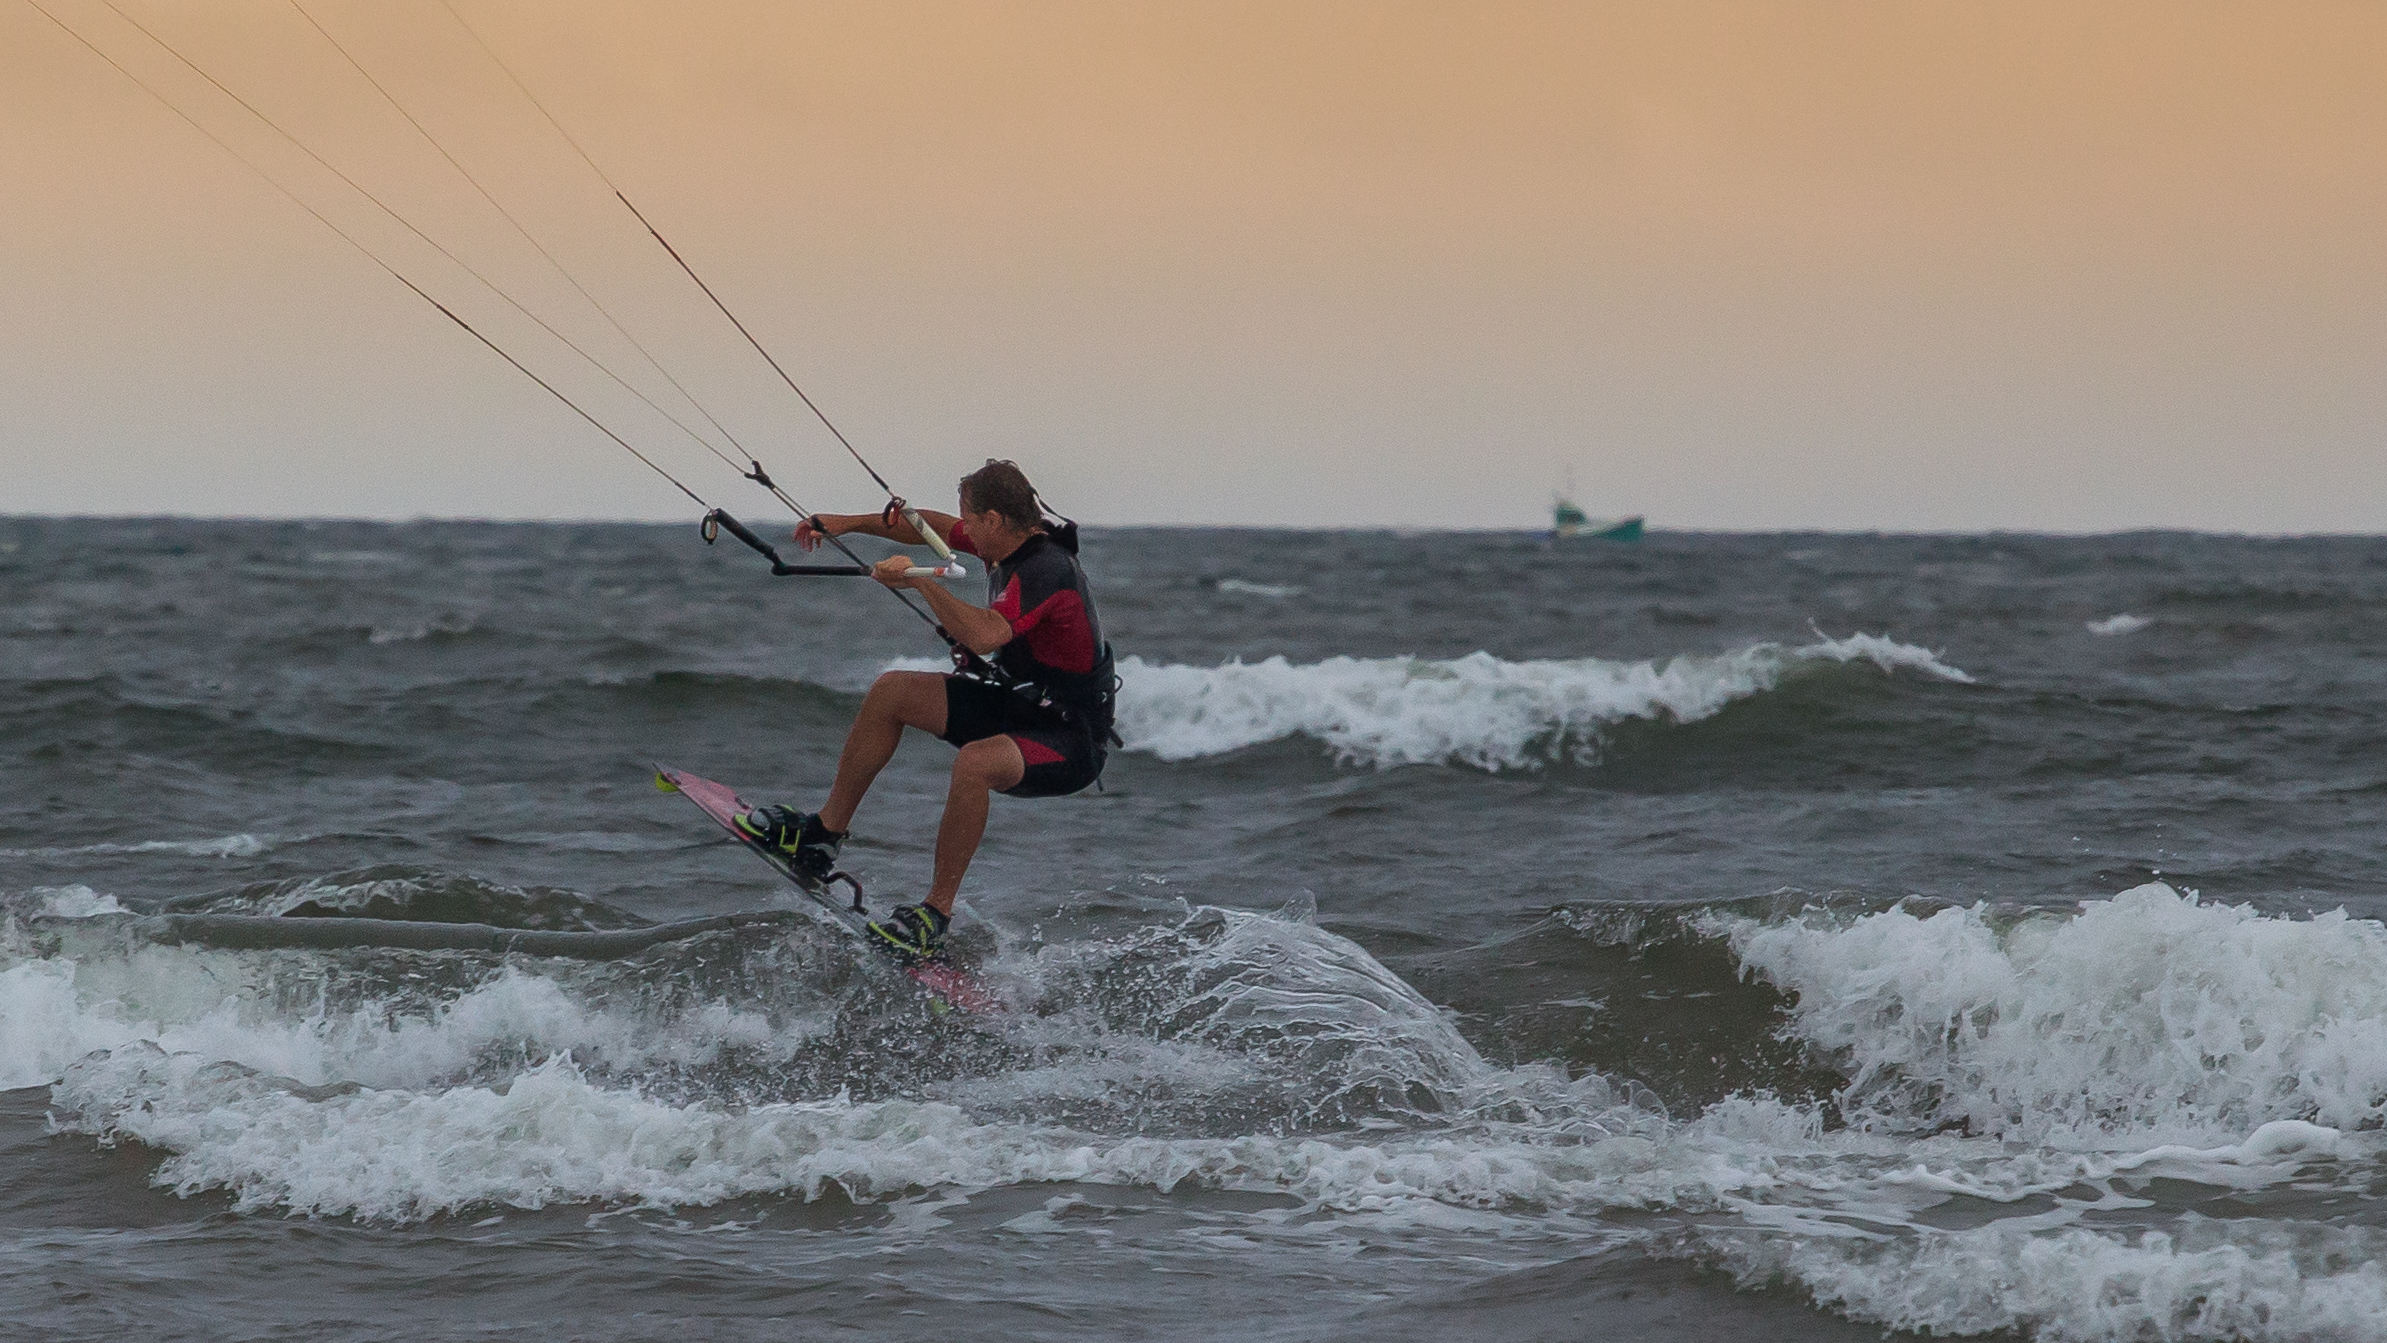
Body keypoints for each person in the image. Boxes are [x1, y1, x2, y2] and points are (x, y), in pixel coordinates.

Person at [734, 460, 1115, 961]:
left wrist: (918, 582)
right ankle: (823, 836)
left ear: (996, 520)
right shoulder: (1007, 541)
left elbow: (983, 635)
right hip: (1019, 704)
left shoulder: (1047, 569)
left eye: (973, 522)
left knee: (975, 763)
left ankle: (935, 915)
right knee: (891, 693)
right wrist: (848, 523)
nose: (966, 532)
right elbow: (932, 526)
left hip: (1070, 740)